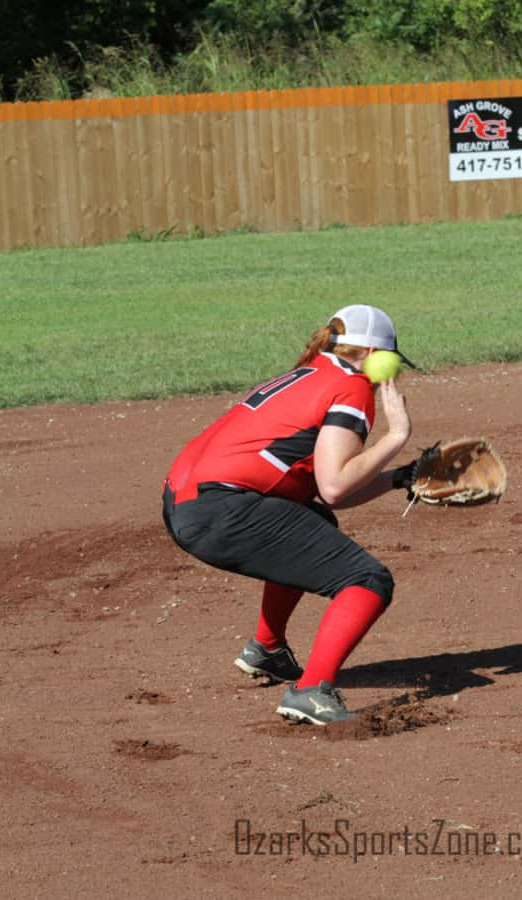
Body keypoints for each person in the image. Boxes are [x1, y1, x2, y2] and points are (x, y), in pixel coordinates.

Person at [162, 304, 419, 725]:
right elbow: (337, 486)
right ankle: (310, 690)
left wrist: (401, 477)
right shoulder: (352, 388)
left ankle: (267, 649)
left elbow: (327, 491)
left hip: (185, 502)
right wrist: (398, 436)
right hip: (222, 510)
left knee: (314, 521)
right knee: (368, 581)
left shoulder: (308, 374)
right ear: (375, 354)